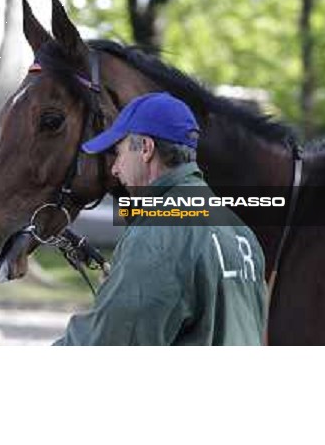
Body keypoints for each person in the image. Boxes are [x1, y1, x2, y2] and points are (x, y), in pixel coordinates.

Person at [53, 92, 267, 346]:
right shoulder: (238, 229)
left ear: (145, 148)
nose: (115, 168)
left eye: (119, 152)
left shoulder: (157, 234)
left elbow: (110, 343)